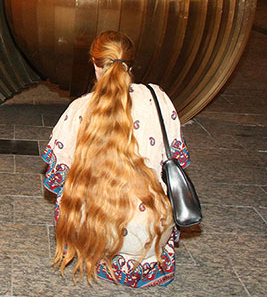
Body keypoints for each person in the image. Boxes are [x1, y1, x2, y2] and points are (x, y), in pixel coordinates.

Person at [42, 31, 190, 288]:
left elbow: (54, 181)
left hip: (101, 230)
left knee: (65, 190)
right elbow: (179, 160)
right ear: (131, 65)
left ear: (94, 62)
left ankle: (97, 255)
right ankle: (150, 262)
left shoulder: (80, 108)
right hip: (153, 227)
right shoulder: (158, 98)